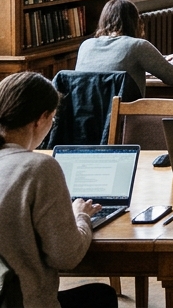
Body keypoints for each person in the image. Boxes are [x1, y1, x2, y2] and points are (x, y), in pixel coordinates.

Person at [0, 72, 120, 308]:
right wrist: (82, 216)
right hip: (19, 300)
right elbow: (66, 256)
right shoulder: (39, 167)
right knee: (102, 297)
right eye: (53, 119)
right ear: (41, 118)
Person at [76, 0, 173, 97]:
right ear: (134, 22)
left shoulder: (86, 45)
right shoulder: (138, 46)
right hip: (124, 116)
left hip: (85, 116)